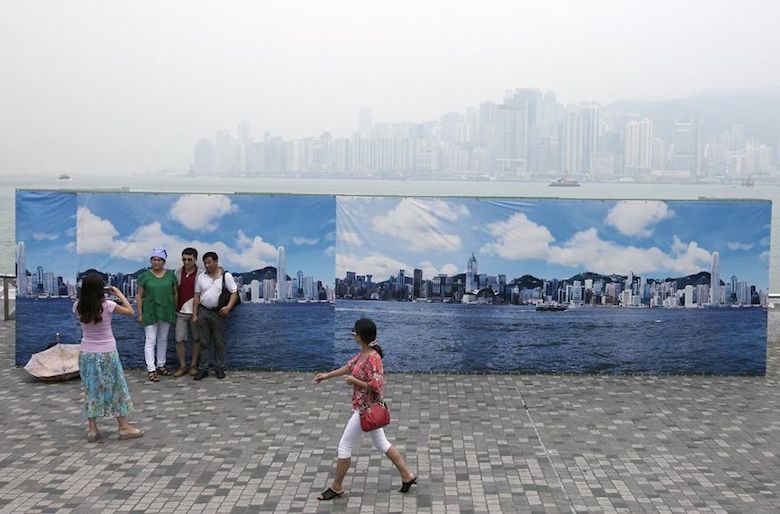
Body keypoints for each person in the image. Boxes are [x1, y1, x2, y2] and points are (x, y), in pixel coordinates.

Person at [313, 318, 416, 500]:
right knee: (381, 443)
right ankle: (407, 475)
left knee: (344, 446)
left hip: (365, 409)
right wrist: (327, 375)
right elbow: (349, 367)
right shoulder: (363, 354)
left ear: (360, 336)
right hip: (364, 408)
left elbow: (376, 384)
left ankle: (336, 487)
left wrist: (355, 382)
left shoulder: (373, 358)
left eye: (354, 331)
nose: (352, 334)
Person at [74, 273, 144, 442]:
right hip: (107, 353)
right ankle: (123, 426)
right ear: (101, 289)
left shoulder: (77, 306)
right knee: (116, 388)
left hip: (86, 353)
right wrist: (118, 293)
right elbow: (130, 312)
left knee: (91, 389)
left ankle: (92, 429)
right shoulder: (108, 305)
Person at [192, 251, 237, 380]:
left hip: (219, 313)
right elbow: (196, 296)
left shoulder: (226, 276)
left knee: (219, 342)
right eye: (205, 263)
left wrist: (228, 307)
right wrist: (195, 314)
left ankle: (219, 368)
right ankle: (203, 368)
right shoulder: (201, 277)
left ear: (216, 262)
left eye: (209, 262)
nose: (207, 265)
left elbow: (234, 293)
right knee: (204, 342)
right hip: (203, 311)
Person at [136, 248, 177, 382]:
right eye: (154, 259)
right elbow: (139, 295)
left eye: (159, 260)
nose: (156, 262)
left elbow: (175, 293)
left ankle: (161, 364)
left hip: (166, 310)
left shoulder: (171, 275)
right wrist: (140, 313)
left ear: (164, 261)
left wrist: (174, 310)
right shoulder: (145, 276)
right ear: (151, 261)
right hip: (150, 311)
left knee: (163, 338)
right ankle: (151, 369)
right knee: (150, 340)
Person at [173, 247, 203, 378]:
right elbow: (174, 292)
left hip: (196, 312)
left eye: (189, 259)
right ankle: (182, 365)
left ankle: (193, 365)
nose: (186, 262)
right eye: (184, 259)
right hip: (180, 312)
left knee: (196, 339)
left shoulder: (201, 274)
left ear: (195, 259)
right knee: (179, 339)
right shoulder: (177, 273)